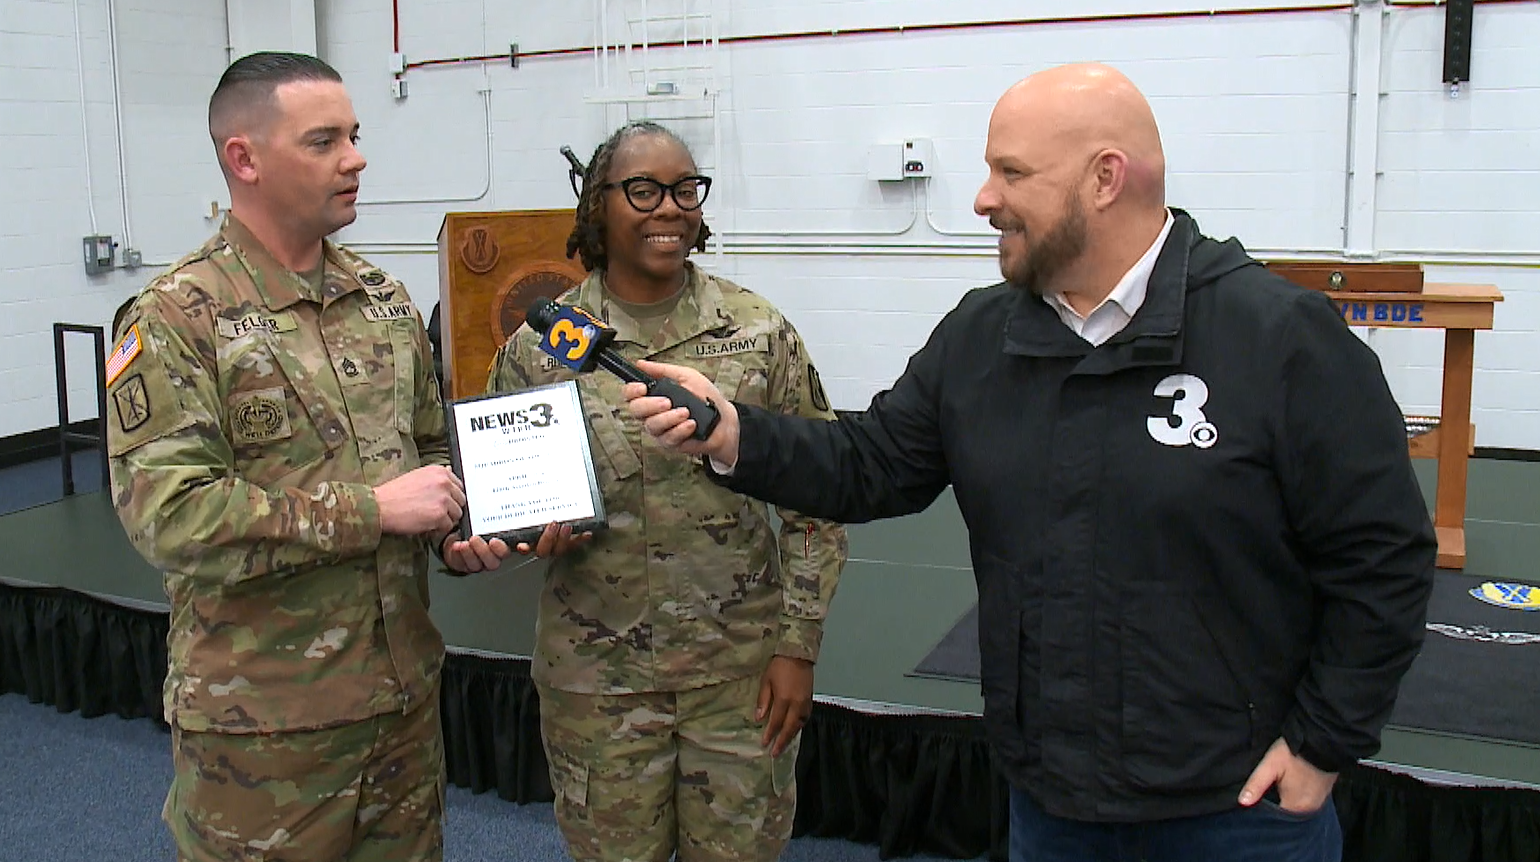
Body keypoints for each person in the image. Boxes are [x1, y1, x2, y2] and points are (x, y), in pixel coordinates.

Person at [624, 63, 1436, 862]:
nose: (982, 198)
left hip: (1238, 811)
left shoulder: (1281, 338)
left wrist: (1324, 744)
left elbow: (1382, 557)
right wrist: (732, 434)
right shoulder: (982, 338)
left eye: (1010, 172)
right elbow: (869, 462)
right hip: (1053, 803)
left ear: (1104, 179)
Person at [106, 52, 484, 862]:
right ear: (244, 158)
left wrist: (463, 528)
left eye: (354, 135)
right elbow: (170, 516)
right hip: (265, 731)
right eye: (324, 141)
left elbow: (426, 450)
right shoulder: (178, 316)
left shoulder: (382, 298)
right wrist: (374, 512)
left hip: (402, 708)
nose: (356, 158)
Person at [474, 119, 849, 862]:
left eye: (685, 190)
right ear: (598, 206)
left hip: (738, 677)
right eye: (643, 190)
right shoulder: (541, 348)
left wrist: (798, 647)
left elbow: (820, 498)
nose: (669, 209)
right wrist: (526, 532)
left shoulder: (757, 332)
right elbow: (501, 497)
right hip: (596, 683)